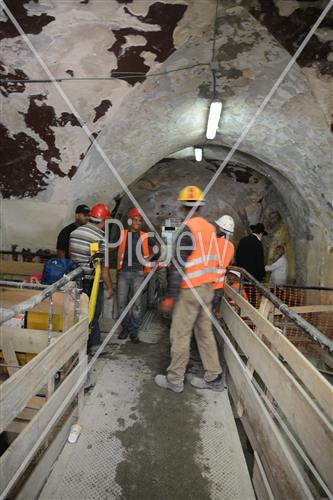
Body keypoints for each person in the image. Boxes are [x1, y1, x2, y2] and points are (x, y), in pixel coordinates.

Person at [155, 185, 223, 393]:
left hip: (190, 291)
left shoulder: (186, 230)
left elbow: (178, 266)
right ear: (200, 207)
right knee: (204, 333)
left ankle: (175, 380)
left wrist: (171, 297)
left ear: (183, 207)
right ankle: (213, 377)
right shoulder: (211, 229)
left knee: (180, 334)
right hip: (207, 289)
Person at [70, 203, 113, 354]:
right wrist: (109, 287)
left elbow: (73, 257)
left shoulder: (75, 232)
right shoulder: (100, 238)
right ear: (104, 220)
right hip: (92, 282)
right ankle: (92, 346)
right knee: (93, 312)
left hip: (75, 280)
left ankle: (79, 344)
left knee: (77, 312)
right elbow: (103, 268)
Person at [117, 207, 157, 344]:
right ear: (129, 221)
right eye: (135, 220)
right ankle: (125, 328)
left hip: (138, 273)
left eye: (140, 221)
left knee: (136, 305)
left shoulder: (145, 236)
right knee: (121, 303)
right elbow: (112, 248)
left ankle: (134, 332)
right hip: (123, 272)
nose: (138, 223)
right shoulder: (122, 234)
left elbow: (157, 248)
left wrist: (148, 259)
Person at [212, 215, 235, 311]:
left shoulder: (212, 242)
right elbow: (228, 262)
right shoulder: (231, 247)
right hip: (218, 287)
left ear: (220, 228)